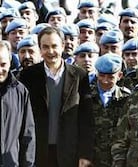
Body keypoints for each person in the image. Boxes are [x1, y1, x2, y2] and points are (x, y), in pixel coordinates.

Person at [19, 27, 94, 167]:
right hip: (37, 152)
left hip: (69, 153)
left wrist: (85, 155)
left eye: (54, 46)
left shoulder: (80, 76)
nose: (50, 51)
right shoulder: (28, 76)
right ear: (40, 48)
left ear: (63, 46)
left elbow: (86, 120)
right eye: (45, 47)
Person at [90, 54, 130, 167]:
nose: (105, 81)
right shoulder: (86, 96)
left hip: (117, 159)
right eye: (101, 76)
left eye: (111, 77)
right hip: (92, 157)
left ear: (120, 75)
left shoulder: (126, 98)